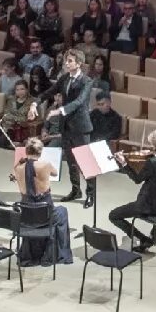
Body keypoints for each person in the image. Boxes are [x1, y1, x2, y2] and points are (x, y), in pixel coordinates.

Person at [16, 141, 73, 266]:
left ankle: (30, 253)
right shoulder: (45, 165)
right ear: (40, 152)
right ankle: (57, 253)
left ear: (26, 151)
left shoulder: (18, 168)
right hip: (46, 214)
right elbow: (55, 173)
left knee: (35, 212)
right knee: (62, 211)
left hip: (28, 215)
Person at [56, 52, 100, 206]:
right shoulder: (64, 78)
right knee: (71, 161)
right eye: (66, 61)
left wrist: (61, 110)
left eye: (70, 61)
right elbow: (51, 90)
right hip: (67, 126)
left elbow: (80, 101)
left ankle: (91, 194)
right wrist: (35, 102)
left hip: (81, 127)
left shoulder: (87, 81)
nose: (66, 64)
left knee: (85, 163)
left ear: (79, 63)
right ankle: (76, 190)